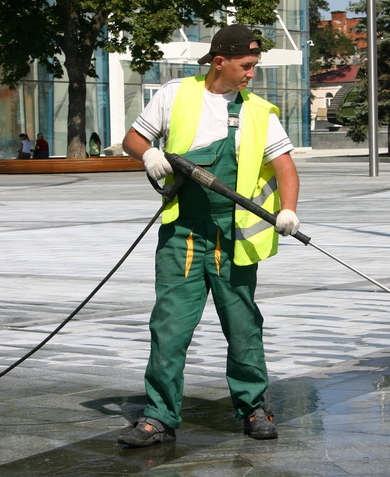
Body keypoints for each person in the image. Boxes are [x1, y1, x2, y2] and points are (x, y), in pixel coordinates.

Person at [118, 24, 300, 448]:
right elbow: (133, 137)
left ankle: (254, 408)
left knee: (243, 326)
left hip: (233, 236)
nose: (252, 74)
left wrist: (288, 209)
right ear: (220, 61)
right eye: (246, 66)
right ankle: (159, 416)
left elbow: (286, 168)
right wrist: (149, 154)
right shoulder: (176, 94)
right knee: (169, 327)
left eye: (254, 66)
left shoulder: (258, 112)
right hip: (182, 233)